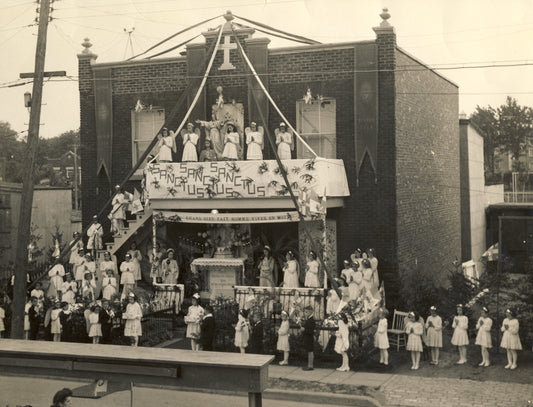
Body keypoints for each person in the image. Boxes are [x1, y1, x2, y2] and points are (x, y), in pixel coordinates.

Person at [301, 305, 315, 370]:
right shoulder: (309, 319)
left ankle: (310, 365)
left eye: (306, 312)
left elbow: (311, 330)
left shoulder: (311, 320)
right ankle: (309, 365)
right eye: (305, 312)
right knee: (309, 351)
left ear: (310, 312)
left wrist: (304, 330)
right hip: (308, 337)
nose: (305, 313)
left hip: (309, 337)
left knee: (310, 351)